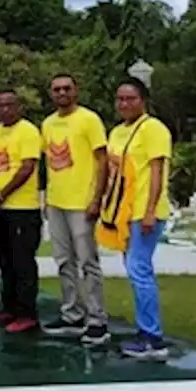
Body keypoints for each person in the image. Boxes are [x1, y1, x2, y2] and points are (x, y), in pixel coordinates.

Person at [40, 73, 111, 345]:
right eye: (56, 89)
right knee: (62, 260)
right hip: (57, 202)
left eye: (66, 88)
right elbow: (48, 164)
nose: (61, 93)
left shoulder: (89, 120)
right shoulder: (48, 124)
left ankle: (97, 319)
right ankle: (72, 313)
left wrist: (97, 198)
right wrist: (46, 198)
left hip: (82, 202)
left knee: (87, 261)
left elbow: (102, 161)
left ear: (76, 91)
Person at [107, 77, 173, 360]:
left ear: (143, 101)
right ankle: (145, 331)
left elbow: (157, 172)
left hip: (146, 213)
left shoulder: (153, 129)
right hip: (124, 212)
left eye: (130, 98)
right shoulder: (117, 133)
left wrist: (149, 211)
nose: (124, 104)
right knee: (136, 272)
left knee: (139, 271)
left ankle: (153, 339)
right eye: (120, 99)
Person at [0, 89, 43, 334]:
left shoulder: (28, 131)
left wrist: (3, 192)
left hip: (23, 208)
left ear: (19, 107)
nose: (5, 109)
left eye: (10, 105)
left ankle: (27, 313)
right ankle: (8, 307)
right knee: (4, 259)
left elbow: (27, 167)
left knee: (23, 262)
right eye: (0, 105)